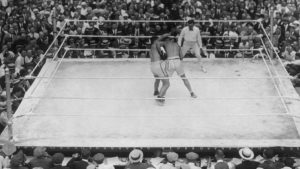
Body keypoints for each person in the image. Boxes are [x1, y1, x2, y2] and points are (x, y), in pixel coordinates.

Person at [150, 34, 197, 106]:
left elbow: (164, 55)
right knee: (183, 78)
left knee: (164, 81)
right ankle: (192, 93)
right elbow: (181, 56)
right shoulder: (177, 45)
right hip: (177, 61)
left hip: (167, 63)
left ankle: (160, 94)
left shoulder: (164, 44)